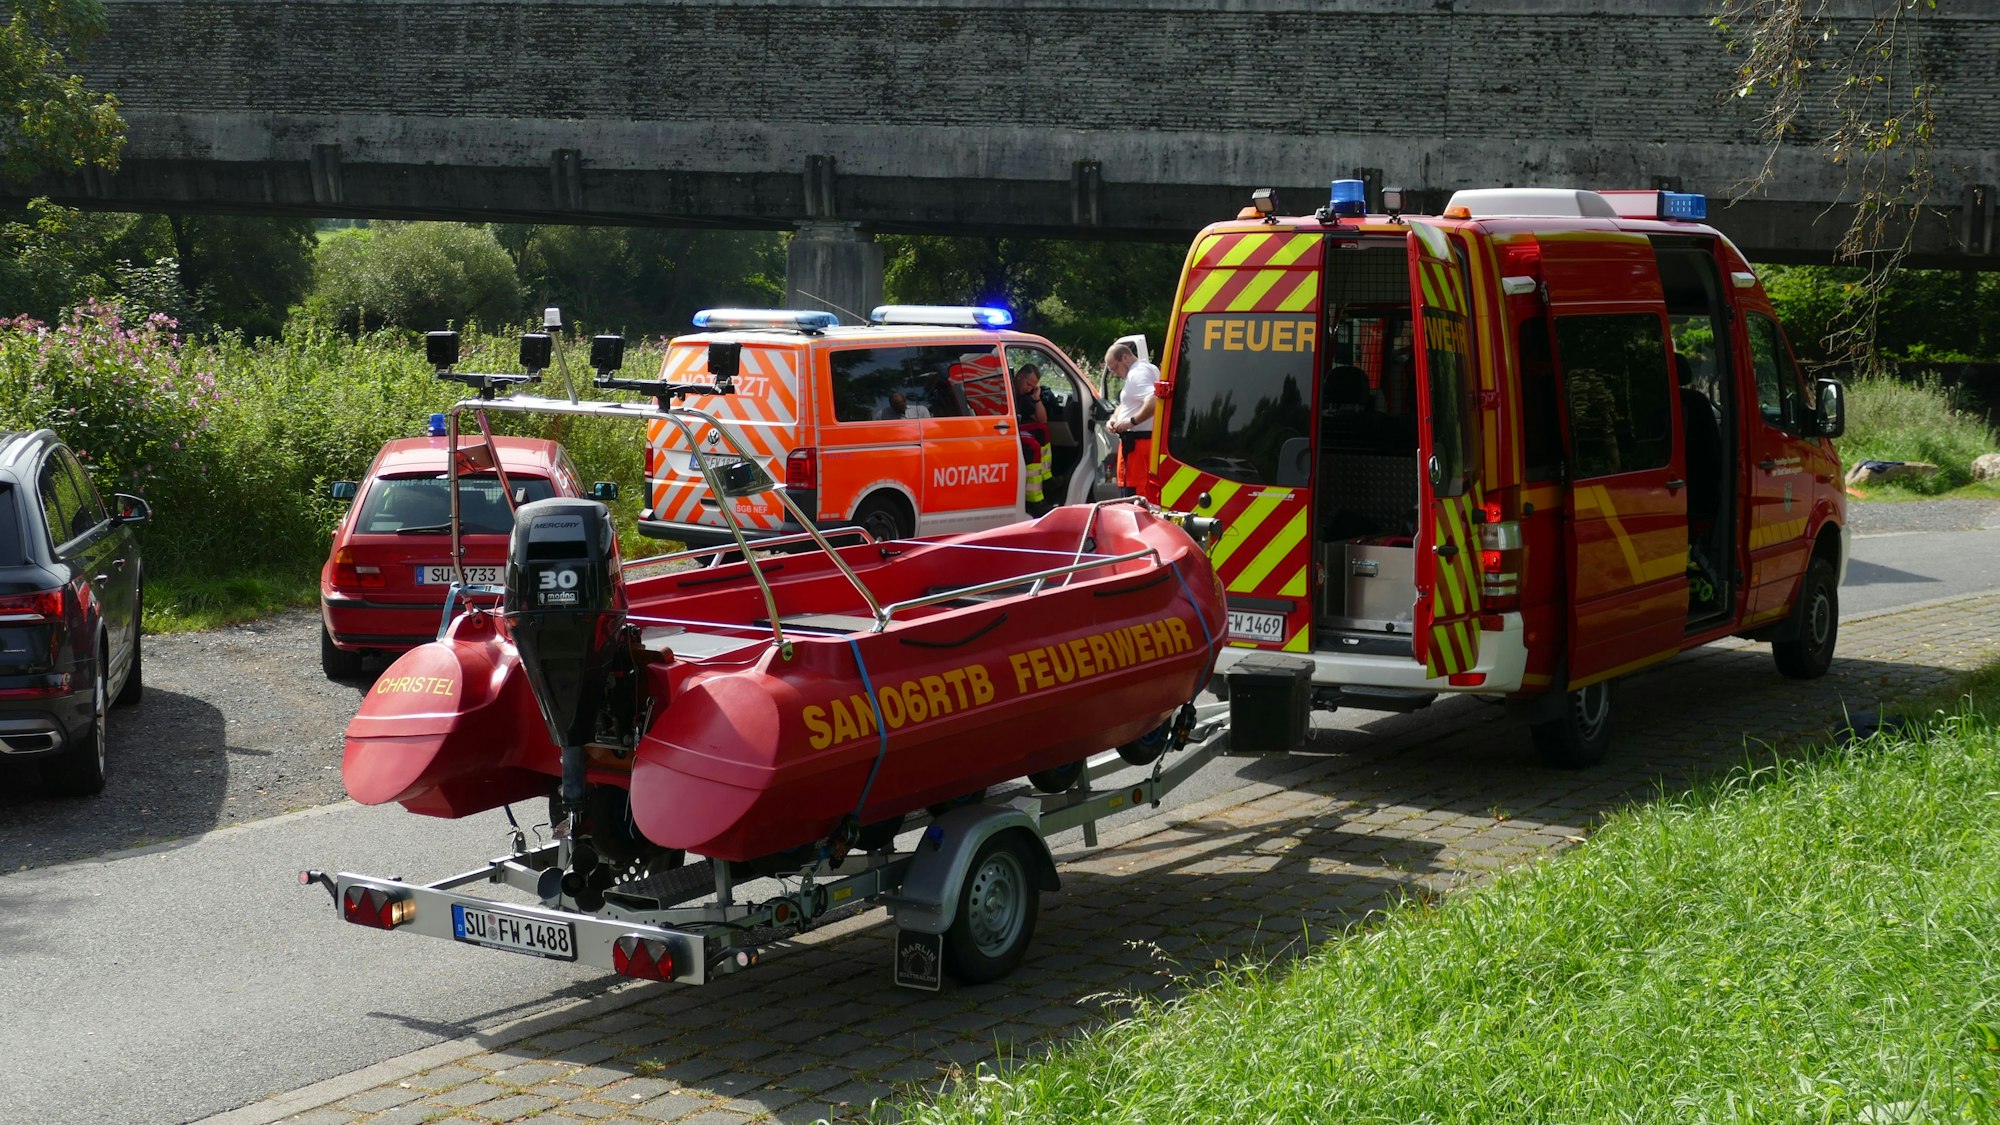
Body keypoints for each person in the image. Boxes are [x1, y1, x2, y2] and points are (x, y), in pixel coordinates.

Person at [1104, 341, 1160, 496]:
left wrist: (1131, 421)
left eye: (1114, 367)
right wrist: (1114, 419)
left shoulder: (1137, 374)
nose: (1114, 373)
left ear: (1125, 358)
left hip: (1137, 447)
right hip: (1140, 444)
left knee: (1133, 496)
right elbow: (1126, 404)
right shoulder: (1147, 369)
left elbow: (1154, 400)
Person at [1014, 365, 1057, 512]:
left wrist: (1036, 399)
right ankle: (1035, 500)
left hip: (1014, 429)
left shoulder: (1024, 396)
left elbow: (1042, 420)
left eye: (1033, 386)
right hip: (1005, 431)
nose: (1029, 388)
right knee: (1033, 446)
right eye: (1028, 384)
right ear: (1019, 377)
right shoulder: (1007, 390)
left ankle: (1047, 479)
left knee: (1042, 430)